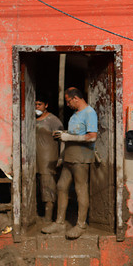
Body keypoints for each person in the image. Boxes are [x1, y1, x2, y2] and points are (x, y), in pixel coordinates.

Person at [41, 87, 98, 239]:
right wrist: (63, 136)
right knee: (61, 186)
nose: (67, 104)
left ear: (75, 98)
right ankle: (60, 222)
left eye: (68, 101)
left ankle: (81, 224)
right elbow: (74, 135)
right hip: (69, 156)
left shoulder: (89, 113)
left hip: (82, 157)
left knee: (80, 189)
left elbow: (92, 137)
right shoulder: (74, 115)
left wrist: (68, 138)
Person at [35, 96, 63, 223]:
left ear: (46, 105)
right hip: (35, 160)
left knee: (48, 188)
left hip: (48, 159)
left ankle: (48, 218)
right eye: (35, 104)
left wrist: (61, 157)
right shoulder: (32, 120)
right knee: (38, 188)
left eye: (39, 104)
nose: (37, 107)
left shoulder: (53, 121)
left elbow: (63, 140)